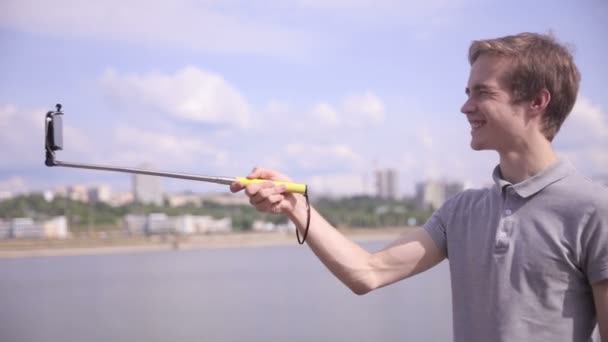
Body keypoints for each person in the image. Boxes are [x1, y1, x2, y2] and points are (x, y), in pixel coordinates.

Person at [230, 32, 608, 342]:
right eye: (467, 92)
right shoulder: (460, 210)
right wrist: (297, 208)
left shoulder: (594, 210)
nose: (465, 107)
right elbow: (368, 272)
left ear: (537, 102)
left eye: (483, 92)